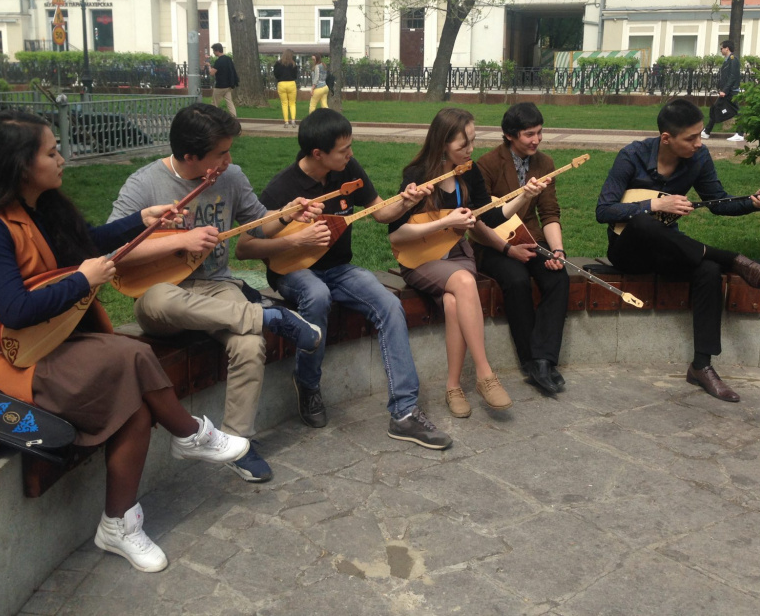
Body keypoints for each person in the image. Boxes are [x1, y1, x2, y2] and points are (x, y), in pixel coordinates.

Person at [0, 111, 249, 573]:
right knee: (134, 353)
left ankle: (119, 524)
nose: (62, 157)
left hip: (53, 341)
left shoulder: (39, 207)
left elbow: (83, 240)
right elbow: (14, 310)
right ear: (21, 165)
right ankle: (189, 435)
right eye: (51, 151)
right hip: (10, 360)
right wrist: (84, 280)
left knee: (138, 403)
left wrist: (140, 220)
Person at [107, 103, 323, 483]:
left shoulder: (231, 177)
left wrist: (287, 215)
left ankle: (238, 442)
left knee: (249, 344)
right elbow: (112, 253)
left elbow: (256, 228)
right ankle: (270, 316)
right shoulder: (144, 184)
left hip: (217, 289)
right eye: (221, 153)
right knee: (156, 298)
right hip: (167, 297)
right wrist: (181, 240)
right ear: (190, 156)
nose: (229, 159)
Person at [240, 108, 452, 449]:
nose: (351, 154)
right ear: (317, 154)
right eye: (344, 149)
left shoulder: (347, 170)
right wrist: (297, 240)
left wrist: (406, 202)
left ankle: (404, 413)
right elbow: (245, 247)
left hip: (339, 268)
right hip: (293, 271)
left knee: (389, 304)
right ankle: (308, 384)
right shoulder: (284, 186)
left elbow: (380, 212)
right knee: (317, 295)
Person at [596, 98, 760, 403]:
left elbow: (718, 202)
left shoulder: (698, 159)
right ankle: (731, 259)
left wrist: (752, 202)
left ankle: (701, 366)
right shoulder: (632, 155)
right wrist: (655, 204)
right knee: (642, 224)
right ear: (667, 138)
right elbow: (603, 210)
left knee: (708, 270)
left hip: (669, 247)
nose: (699, 143)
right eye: (691, 138)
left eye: (700, 135)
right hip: (627, 250)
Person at [388, 108, 545, 417]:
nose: (471, 150)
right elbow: (397, 236)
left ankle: (453, 386)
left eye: (473, 141)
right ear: (443, 144)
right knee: (464, 282)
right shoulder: (418, 176)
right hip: (421, 260)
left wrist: (524, 196)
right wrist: (444, 223)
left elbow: (492, 215)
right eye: (463, 145)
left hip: (458, 256)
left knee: (452, 302)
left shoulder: (468, 171)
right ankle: (485, 374)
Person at [470, 103, 570, 395]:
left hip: (531, 239)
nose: (536, 140)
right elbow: (477, 221)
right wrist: (507, 250)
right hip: (492, 244)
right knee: (515, 279)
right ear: (509, 135)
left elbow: (550, 213)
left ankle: (544, 359)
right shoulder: (486, 165)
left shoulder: (545, 163)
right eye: (529, 134)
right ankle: (530, 361)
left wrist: (557, 252)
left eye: (539, 133)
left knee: (558, 278)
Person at [702, 40, 742, 142]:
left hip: (731, 91)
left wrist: (724, 90)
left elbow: (732, 77)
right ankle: (706, 131)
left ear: (727, 48)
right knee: (716, 108)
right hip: (727, 91)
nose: (721, 50)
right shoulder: (727, 60)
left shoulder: (733, 60)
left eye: (721, 48)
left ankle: (740, 134)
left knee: (737, 111)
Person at [207, 43, 238, 116]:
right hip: (229, 85)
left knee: (214, 103)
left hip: (220, 86)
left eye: (214, 51)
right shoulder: (228, 59)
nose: (213, 53)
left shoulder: (218, 61)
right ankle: (233, 116)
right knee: (229, 102)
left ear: (217, 50)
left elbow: (212, 73)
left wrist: (208, 66)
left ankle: (212, 116)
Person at [273, 49, 299, 128]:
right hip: (291, 84)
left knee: (284, 103)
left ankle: (286, 122)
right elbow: (295, 75)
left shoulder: (278, 63)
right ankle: (293, 121)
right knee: (292, 103)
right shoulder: (293, 64)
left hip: (281, 84)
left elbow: (275, 74)